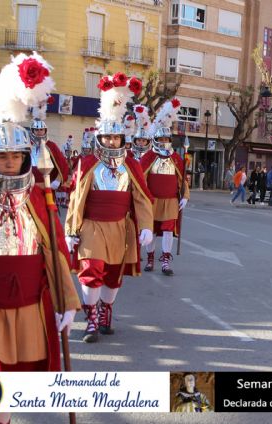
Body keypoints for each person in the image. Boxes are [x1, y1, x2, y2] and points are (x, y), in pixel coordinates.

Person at [0, 53, 80, 424]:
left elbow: (54, 253)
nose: (8, 162)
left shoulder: (39, 197)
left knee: (5, 384)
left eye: (15, 156)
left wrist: (66, 301)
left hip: (28, 309)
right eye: (0, 156)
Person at [65, 73, 154, 344]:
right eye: (108, 138)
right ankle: (90, 318)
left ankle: (106, 311)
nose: (113, 142)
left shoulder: (132, 165)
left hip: (120, 228)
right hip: (92, 226)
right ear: (100, 138)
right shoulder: (87, 162)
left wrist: (148, 225)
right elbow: (76, 198)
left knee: (113, 277)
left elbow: (141, 198)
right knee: (91, 271)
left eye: (117, 138)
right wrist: (71, 229)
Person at [140, 99, 189, 276]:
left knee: (168, 230)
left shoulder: (176, 158)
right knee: (151, 230)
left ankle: (166, 260)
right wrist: (143, 198)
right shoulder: (147, 157)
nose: (163, 141)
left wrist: (185, 196)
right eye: (160, 138)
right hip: (152, 201)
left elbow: (182, 179)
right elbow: (140, 179)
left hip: (170, 202)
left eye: (166, 138)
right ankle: (150, 258)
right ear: (155, 139)